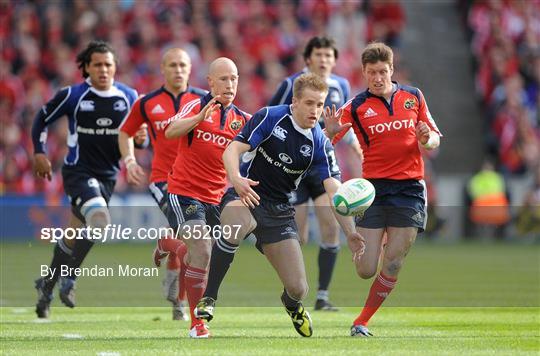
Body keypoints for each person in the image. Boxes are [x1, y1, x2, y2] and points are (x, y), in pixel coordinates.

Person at [195, 73, 366, 338]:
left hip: (279, 210)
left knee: (299, 289)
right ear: (295, 102)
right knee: (237, 224)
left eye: (320, 105)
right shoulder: (270, 116)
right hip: (247, 194)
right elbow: (232, 150)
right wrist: (237, 180)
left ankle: (292, 305)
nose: (315, 110)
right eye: (310, 103)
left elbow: (334, 192)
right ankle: (209, 298)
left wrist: (351, 233)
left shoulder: (320, 143)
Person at [324, 42, 442, 337]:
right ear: (363, 73)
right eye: (372, 72)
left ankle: (361, 321)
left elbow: (434, 140)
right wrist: (328, 131)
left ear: (392, 70)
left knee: (394, 261)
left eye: (383, 71)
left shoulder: (413, 97)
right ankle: (377, 244)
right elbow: (324, 145)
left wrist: (426, 139)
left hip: (410, 189)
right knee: (365, 269)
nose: (378, 77)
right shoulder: (356, 106)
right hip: (373, 190)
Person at [31, 40, 140, 318]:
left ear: (115, 67)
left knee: (74, 232)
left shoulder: (129, 97)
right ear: (86, 68)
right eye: (97, 64)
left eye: (108, 64)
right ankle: (70, 277)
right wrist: (39, 151)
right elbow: (41, 119)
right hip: (78, 171)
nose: (103, 69)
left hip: (108, 176)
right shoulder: (73, 95)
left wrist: (141, 138)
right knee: (99, 219)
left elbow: (140, 137)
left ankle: (47, 286)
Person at [268, 36, 361, 311]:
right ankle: (293, 289)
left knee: (331, 225)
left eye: (328, 55)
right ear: (308, 59)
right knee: (299, 235)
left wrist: (354, 144)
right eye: (318, 54)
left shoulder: (341, 85)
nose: (323, 60)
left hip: (322, 164)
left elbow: (344, 122)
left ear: (334, 60)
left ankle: (322, 296)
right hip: (293, 167)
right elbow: (271, 115)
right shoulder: (290, 85)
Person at [163, 57, 250, 338]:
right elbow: (169, 131)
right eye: (223, 79)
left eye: (234, 78)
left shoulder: (244, 120)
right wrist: (198, 119)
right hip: (183, 192)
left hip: (216, 198)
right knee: (202, 249)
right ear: (210, 82)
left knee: (200, 257)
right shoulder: (197, 105)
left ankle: (170, 244)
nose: (229, 84)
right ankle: (197, 324)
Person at [118, 48, 207, 321]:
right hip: (163, 180)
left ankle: (167, 250)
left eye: (183, 65)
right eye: (173, 65)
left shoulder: (204, 99)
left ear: (190, 69)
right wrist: (131, 161)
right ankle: (180, 302)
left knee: (191, 240)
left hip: (196, 182)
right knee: (191, 237)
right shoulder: (148, 102)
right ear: (163, 69)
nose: (178, 70)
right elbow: (125, 132)